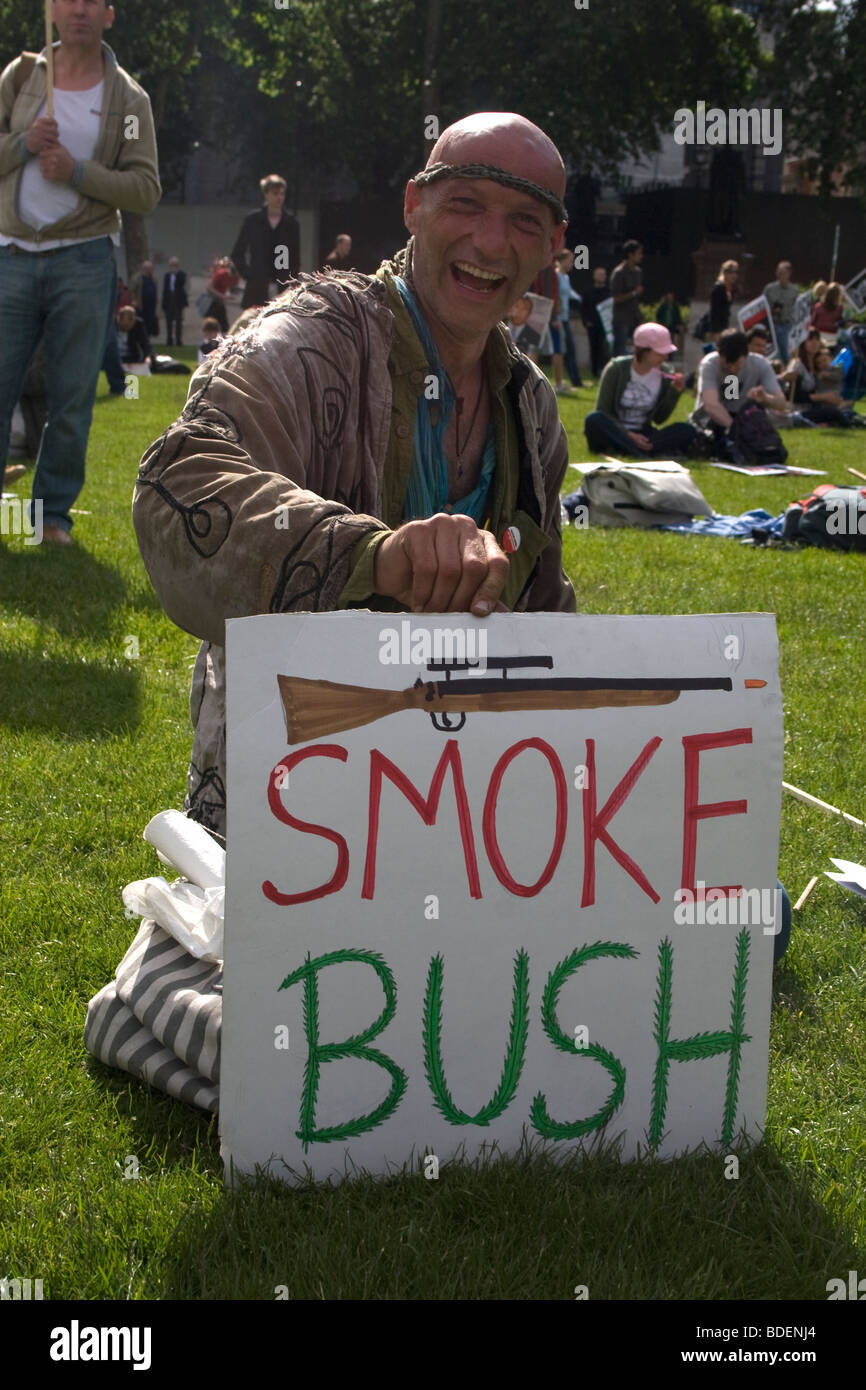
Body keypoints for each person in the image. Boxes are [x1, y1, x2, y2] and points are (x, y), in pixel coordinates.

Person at [133, 111, 577, 836]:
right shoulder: (308, 341)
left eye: (524, 220)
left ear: (554, 246)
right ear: (414, 206)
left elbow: (547, 610)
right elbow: (178, 485)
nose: (490, 242)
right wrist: (376, 556)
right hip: (292, 803)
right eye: (464, 203)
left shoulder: (529, 410)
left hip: (470, 807)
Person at [0, 2, 160, 546]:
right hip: (11, 256)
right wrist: (23, 145)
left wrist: (77, 172)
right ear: (52, 10)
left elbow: (145, 188)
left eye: (93, 0)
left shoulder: (129, 97)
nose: (80, 9)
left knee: (71, 399)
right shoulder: (21, 77)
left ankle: (51, 518)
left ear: (109, 16)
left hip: (85, 258)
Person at [583, 322, 696, 459]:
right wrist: (628, 435)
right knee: (593, 420)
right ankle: (642, 452)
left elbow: (659, 419)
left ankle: (634, 450)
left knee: (686, 429)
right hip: (616, 430)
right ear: (643, 351)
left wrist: (674, 392)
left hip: (644, 433)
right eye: (660, 353)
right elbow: (603, 410)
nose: (665, 357)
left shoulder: (665, 373)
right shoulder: (616, 369)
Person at [691, 328, 787, 455]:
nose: (732, 369)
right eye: (727, 364)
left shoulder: (760, 364)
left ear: (746, 355)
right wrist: (736, 430)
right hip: (712, 422)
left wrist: (766, 398)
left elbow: (781, 403)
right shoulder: (710, 364)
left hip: (742, 417)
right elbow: (711, 405)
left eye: (736, 364)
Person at [231, 174, 300, 310]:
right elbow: (237, 253)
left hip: (282, 287)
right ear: (266, 194)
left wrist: (290, 280)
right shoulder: (252, 220)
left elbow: (295, 259)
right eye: (275, 193)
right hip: (257, 287)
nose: (279, 197)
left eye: (282, 194)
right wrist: (249, 275)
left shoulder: (291, 223)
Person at [553, 248, 583, 389]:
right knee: (561, 349)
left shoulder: (566, 277)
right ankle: (564, 382)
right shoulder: (556, 276)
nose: (572, 263)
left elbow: (570, 293)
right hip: (557, 318)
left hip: (564, 317)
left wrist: (582, 299)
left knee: (568, 349)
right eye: (570, 260)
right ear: (562, 261)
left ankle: (573, 381)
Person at [609, 239, 643, 355]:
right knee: (619, 351)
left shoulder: (638, 272)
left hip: (635, 317)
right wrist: (633, 293)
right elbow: (615, 298)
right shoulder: (619, 273)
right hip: (621, 318)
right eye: (638, 253)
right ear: (630, 254)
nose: (641, 256)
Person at [762, 260, 798, 363]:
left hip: (786, 325)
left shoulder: (794, 290)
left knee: (785, 350)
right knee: (769, 351)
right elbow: (762, 306)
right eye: (778, 272)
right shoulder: (769, 289)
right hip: (772, 324)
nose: (780, 275)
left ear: (789, 274)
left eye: (783, 273)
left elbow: (797, 308)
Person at [581, 265, 610, 379]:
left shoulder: (608, 292)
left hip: (604, 324)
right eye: (599, 274)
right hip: (592, 324)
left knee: (603, 347)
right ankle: (594, 370)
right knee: (594, 347)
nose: (601, 277)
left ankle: (602, 369)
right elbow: (583, 308)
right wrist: (586, 321)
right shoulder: (588, 291)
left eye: (603, 275)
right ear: (594, 276)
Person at [204, 255, 236, 334]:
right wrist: (222, 296)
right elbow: (209, 287)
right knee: (213, 325)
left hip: (220, 303)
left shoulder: (230, 276)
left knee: (224, 325)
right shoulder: (221, 274)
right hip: (213, 302)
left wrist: (227, 295)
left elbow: (227, 287)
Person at [708, 260, 738, 342]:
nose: (734, 275)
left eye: (735, 272)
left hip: (725, 324)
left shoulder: (731, 289)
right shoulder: (718, 289)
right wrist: (716, 331)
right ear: (725, 273)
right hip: (717, 327)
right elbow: (714, 311)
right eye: (731, 272)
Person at [115, 304, 151, 369]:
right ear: (119, 320)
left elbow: (145, 343)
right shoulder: (111, 325)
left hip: (131, 357)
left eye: (130, 325)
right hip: (115, 356)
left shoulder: (138, 324)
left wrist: (147, 357)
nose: (128, 327)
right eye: (125, 325)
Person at [162, 256, 187, 346]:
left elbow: (182, 284)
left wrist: (176, 274)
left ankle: (178, 340)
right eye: (172, 265)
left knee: (178, 322)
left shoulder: (181, 274)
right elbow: (165, 289)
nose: (173, 267)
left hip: (178, 301)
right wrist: (163, 303)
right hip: (169, 300)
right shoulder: (167, 276)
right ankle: (169, 340)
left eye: (175, 265)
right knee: (169, 322)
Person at [130, 258, 158, 338]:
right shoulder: (137, 278)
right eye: (149, 268)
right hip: (141, 306)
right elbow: (131, 290)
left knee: (149, 324)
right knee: (141, 324)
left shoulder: (154, 279)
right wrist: (134, 300)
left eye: (151, 268)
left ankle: (147, 339)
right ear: (144, 268)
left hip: (151, 306)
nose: (151, 270)